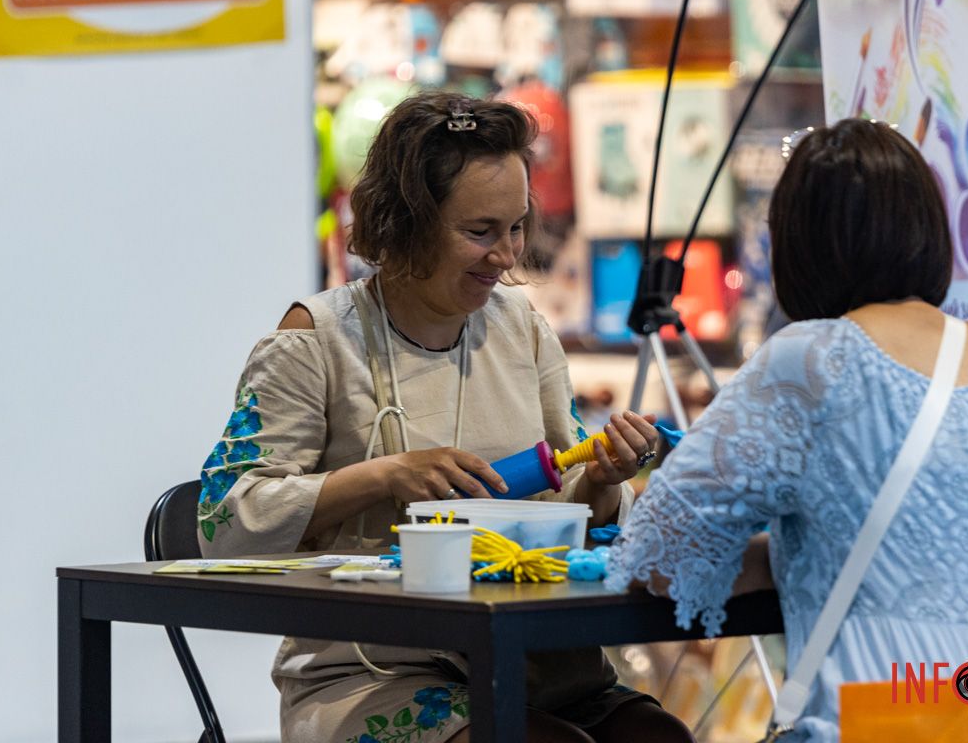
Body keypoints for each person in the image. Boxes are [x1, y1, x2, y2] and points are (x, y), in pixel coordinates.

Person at [197, 92, 694, 743]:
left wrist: (602, 479)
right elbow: (225, 524)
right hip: (375, 673)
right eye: (479, 232)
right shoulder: (316, 342)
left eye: (516, 227)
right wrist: (385, 478)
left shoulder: (523, 331)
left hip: (535, 665)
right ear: (406, 223)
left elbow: (571, 500)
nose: (506, 255)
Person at [604, 118, 968, 740]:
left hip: (877, 722)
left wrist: (788, 553)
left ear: (797, 244)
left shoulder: (813, 359)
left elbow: (662, 553)